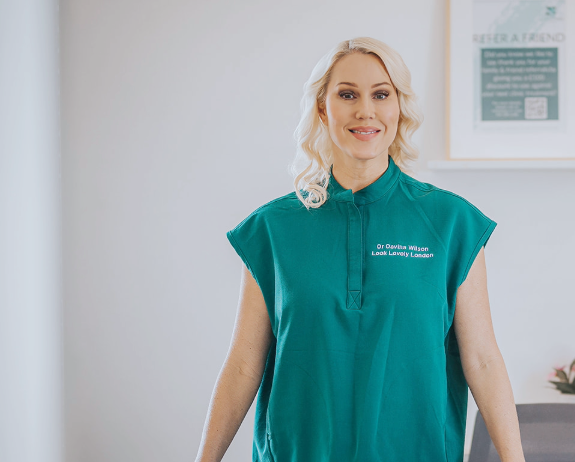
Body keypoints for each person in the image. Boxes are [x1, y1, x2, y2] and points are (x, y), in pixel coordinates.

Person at [194, 37, 525, 462]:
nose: (365, 110)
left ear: (399, 107)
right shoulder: (273, 229)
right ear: (322, 108)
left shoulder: (452, 223)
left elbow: (481, 360)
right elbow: (243, 364)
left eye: (381, 94)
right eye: (347, 94)